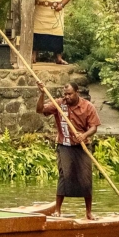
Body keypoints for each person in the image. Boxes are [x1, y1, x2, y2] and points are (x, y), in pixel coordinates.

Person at [36, 81, 101, 219]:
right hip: (64, 145)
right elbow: (40, 109)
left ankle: (88, 212)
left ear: (77, 92)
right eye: (65, 94)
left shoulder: (87, 107)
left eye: (70, 94)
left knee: (86, 179)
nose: (67, 97)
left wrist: (84, 135)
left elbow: (94, 127)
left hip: (82, 147)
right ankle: (58, 210)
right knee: (64, 176)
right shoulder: (59, 104)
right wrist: (41, 93)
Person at [33, 0, 73, 65]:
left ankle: (58, 58)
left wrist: (61, 4)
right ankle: (33, 56)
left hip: (55, 11)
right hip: (40, 11)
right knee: (36, 33)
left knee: (57, 34)